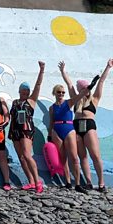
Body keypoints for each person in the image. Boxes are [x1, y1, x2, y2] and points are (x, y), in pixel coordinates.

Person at [59, 60, 112, 192]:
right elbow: (69, 84)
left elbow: (101, 82)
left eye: (86, 88)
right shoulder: (76, 99)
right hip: (76, 127)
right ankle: (88, 182)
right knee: (82, 156)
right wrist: (62, 71)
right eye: (83, 89)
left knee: (95, 155)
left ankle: (101, 182)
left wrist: (108, 67)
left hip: (89, 126)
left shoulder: (94, 98)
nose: (86, 91)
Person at [48, 66, 99, 194]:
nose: (61, 94)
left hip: (69, 129)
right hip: (57, 130)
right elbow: (51, 122)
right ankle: (68, 182)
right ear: (55, 93)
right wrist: (49, 134)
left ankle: (77, 183)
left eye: (62, 92)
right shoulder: (52, 107)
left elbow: (80, 93)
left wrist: (91, 86)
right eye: (59, 92)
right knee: (63, 157)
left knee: (75, 158)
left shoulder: (69, 102)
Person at [8, 61, 45, 193]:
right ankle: (30, 181)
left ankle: (37, 181)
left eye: (27, 90)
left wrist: (41, 70)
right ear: (19, 91)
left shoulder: (31, 101)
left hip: (26, 130)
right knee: (21, 157)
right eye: (23, 89)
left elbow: (38, 85)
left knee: (27, 155)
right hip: (15, 130)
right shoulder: (15, 102)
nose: (25, 91)